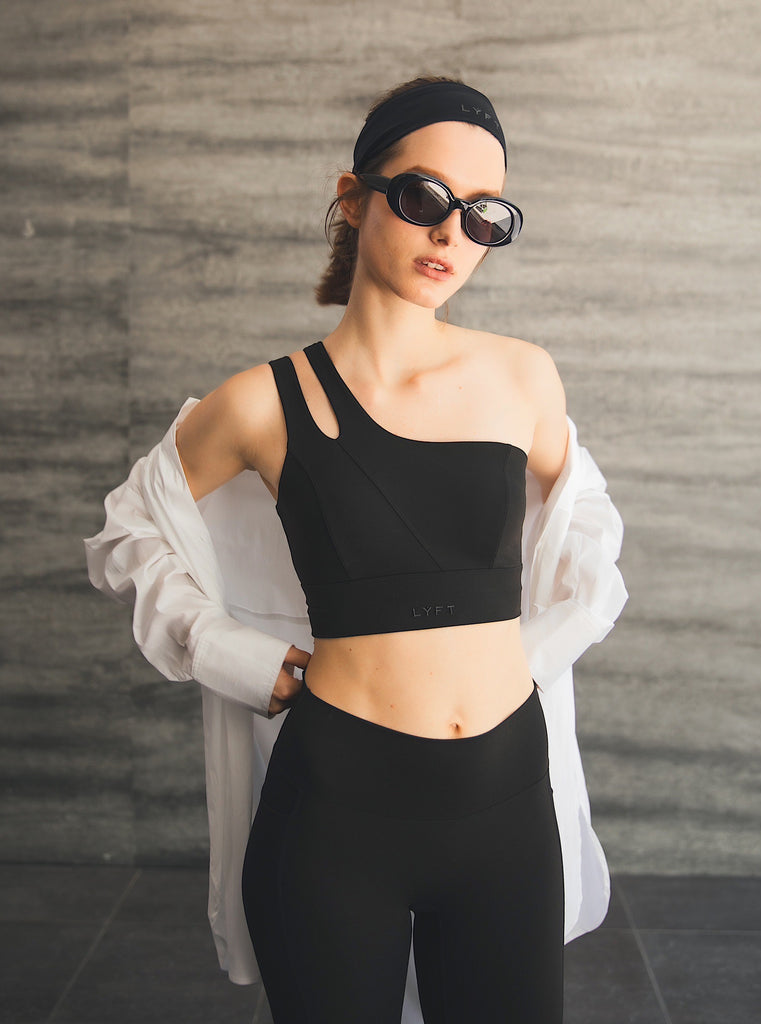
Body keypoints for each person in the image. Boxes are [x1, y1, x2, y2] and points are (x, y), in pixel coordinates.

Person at [85, 76, 627, 1024]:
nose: (451, 233)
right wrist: (232, 654)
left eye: (484, 215)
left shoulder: (523, 377)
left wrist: (535, 646)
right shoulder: (262, 402)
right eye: (424, 196)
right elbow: (130, 526)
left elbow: (585, 520)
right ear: (353, 198)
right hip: (336, 817)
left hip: (506, 808)